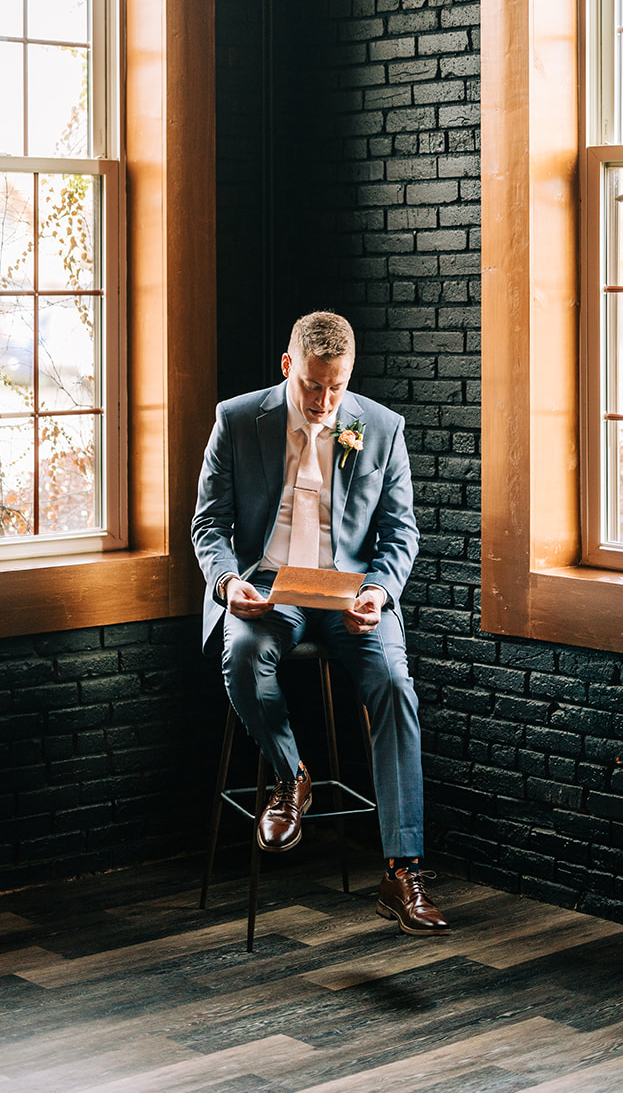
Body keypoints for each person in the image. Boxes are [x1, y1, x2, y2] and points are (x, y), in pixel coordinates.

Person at [192, 310, 449, 935]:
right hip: (269, 589)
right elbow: (208, 524)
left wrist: (381, 593)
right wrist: (230, 585)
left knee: (394, 684)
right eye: (312, 385)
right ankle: (292, 776)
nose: (324, 401)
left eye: (336, 387)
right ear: (289, 367)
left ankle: (402, 870)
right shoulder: (237, 419)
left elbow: (400, 533)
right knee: (247, 660)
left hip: (350, 596)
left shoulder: (381, 428)